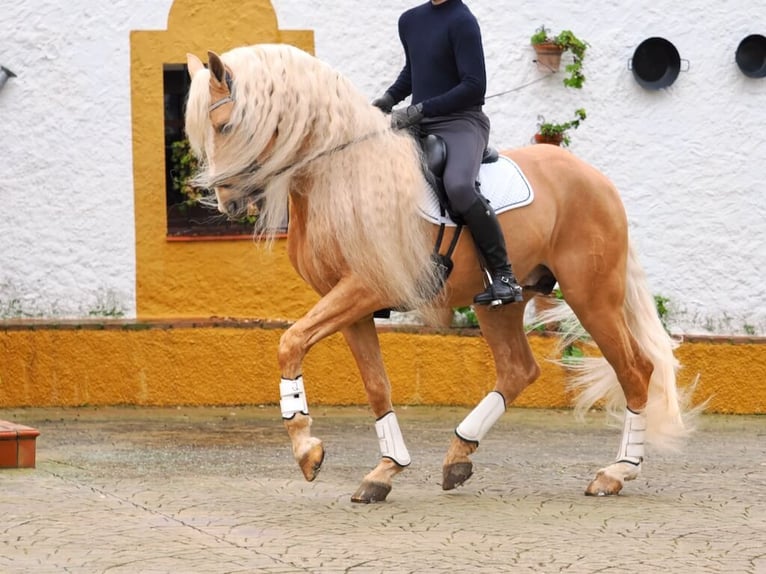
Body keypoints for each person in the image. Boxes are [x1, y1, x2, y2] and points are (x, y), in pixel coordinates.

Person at [372, 0, 523, 307]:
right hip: (420, 122)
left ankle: (505, 277)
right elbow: (415, 72)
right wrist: (388, 99)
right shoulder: (410, 21)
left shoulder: (462, 21)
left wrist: (420, 108)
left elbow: (474, 86)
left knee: (459, 186)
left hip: (462, 121)